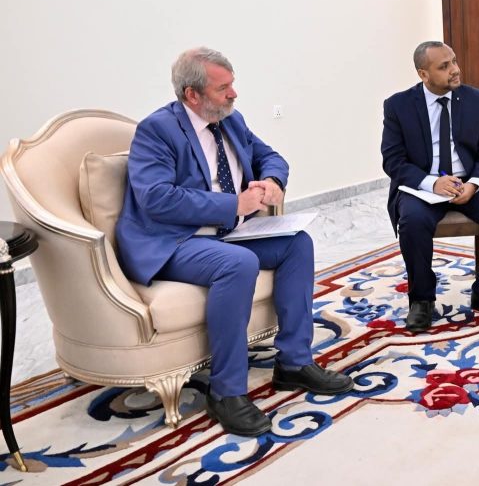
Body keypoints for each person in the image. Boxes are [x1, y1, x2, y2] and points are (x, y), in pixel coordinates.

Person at [116, 48, 352, 437]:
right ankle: (226, 392)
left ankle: (294, 363)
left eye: (232, 84)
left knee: (298, 244)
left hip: (228, 234)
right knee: (238, 263)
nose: (233, 93)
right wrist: (233, 205)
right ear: (192, 94)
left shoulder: (230, 119)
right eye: (223, 87)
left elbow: (270, 157)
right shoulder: (157, 130)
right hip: (176, 241)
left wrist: (272, 181)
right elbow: (156, 197)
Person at [381, 41, 479, 333]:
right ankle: (421, 300)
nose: (455, 70)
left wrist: (473, 184)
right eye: (444, 66)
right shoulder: (398, 105)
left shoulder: (475, 99)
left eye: (454, 61)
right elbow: (393, 160)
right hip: (422, 186)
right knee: (413, 221)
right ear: (424, 74)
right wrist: (433, 183)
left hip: (468, 181)